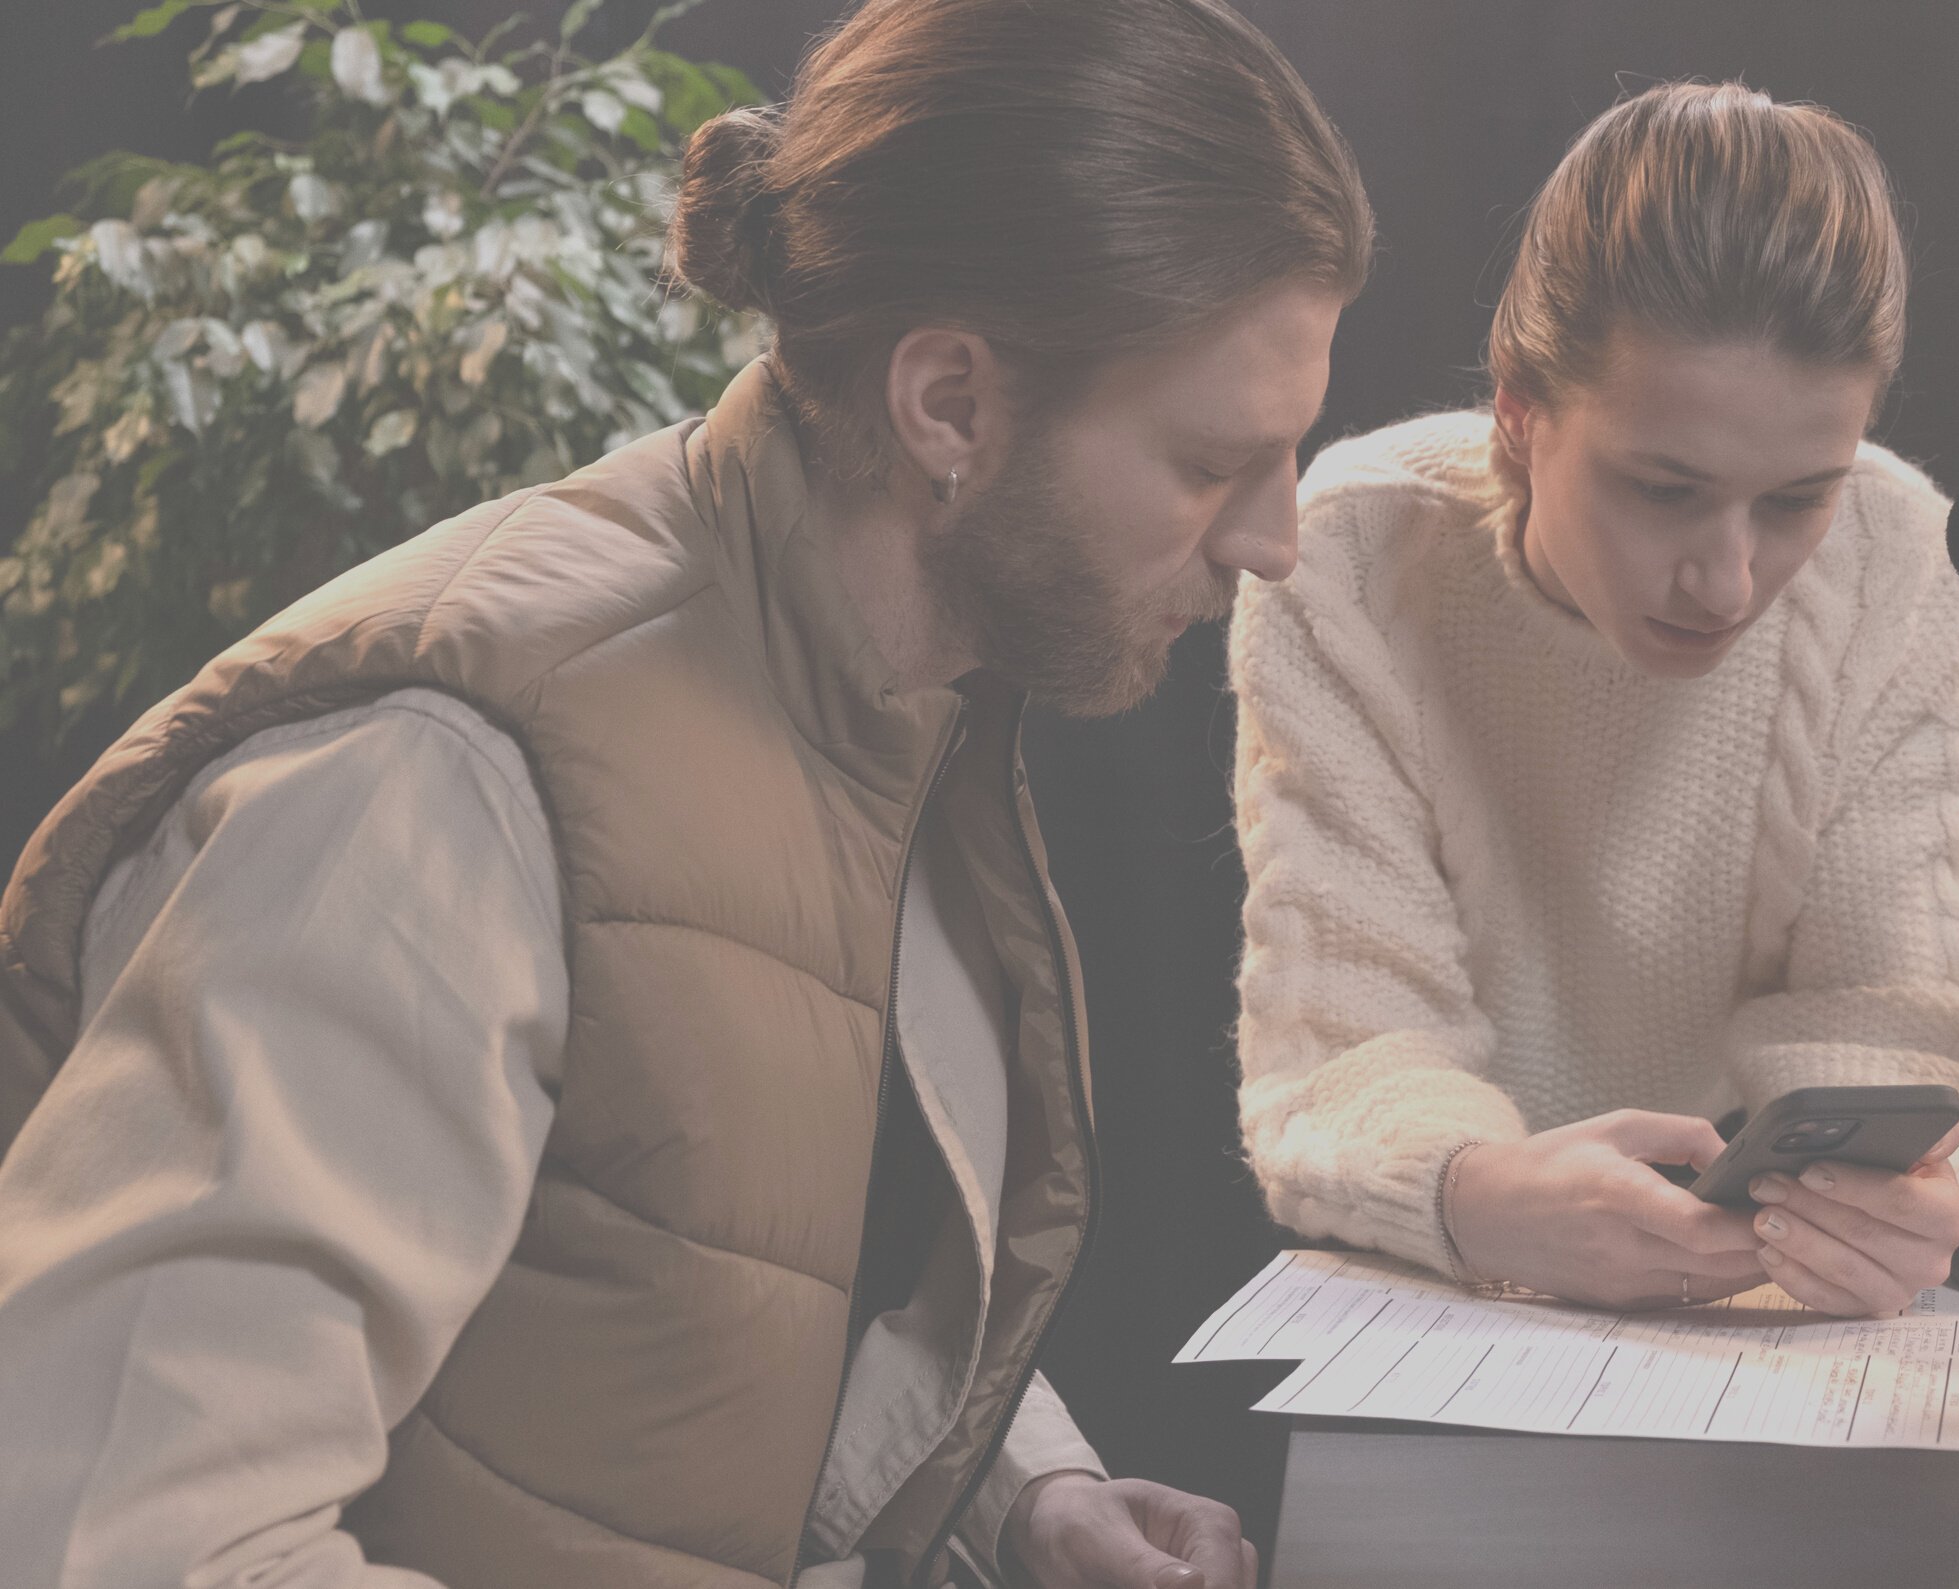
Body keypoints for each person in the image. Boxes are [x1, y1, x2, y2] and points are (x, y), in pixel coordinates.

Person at [0, 3, 1370, 1586]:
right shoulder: (441, 790)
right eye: (1212, 462)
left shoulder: (884, 700)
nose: (1273, 536)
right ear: (949, 406)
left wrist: (1020, 1493)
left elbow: (719, 1273)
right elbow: (102, 1534)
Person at [1231, 81, 1959, 1319]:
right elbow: (1347, 1037)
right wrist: (1472, 1191)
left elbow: (1891, 1016)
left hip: (1752, 1292)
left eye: (1794, 499)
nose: (1727, 579)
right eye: (1663, 489)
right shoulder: (1348, 553)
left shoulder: (1901, 555)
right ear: (1518, 410)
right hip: (1438, 1292)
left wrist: (1898, 1196)